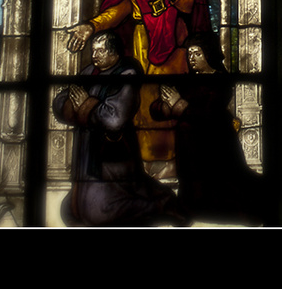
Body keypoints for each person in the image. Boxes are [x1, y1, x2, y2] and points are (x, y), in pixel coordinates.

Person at [66, 0, 211, 163]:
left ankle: (175, 161)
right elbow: (117, 11)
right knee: (142, 102)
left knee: (169, 100)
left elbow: (194, 0)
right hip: (141, 45)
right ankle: (144, 161)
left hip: (173, 47)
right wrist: (91, 27)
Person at [52, 31, 188, 227]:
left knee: (100, 214)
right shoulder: (88, 73)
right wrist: (81, 108)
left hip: (112, 155)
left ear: (114, 53)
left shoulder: (126, 75)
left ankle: (162, 206)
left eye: (100, 51)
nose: (94, 55)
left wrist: (85, 105)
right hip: (86, 154)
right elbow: (59, 102)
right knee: (72, 211)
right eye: (93, 51)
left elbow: (114, 118)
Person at [150, 32, 266, 225]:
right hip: (188, 148)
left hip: (214, 142)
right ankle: (193, 208)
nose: (192, 58)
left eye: (197, 53)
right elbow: (156, 111)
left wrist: (178, 105)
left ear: (209, 54)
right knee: (192, 187)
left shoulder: (221, 80)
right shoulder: (185, 80)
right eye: (190, 54)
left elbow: (209, 113)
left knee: (222, 185)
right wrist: (164, 103)